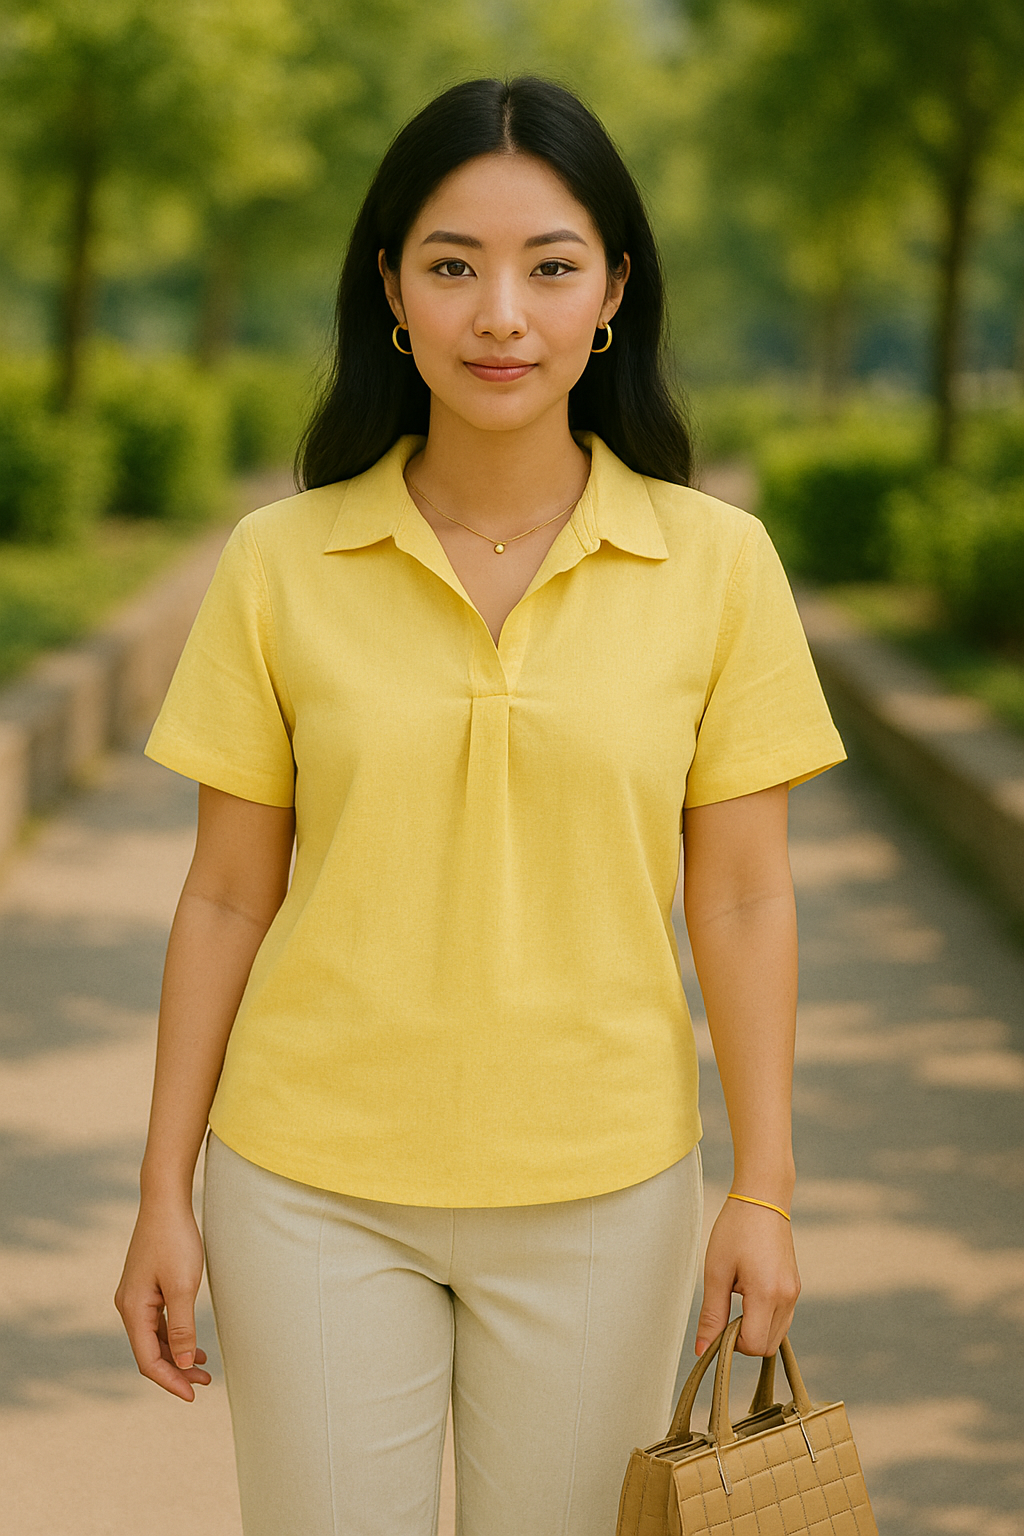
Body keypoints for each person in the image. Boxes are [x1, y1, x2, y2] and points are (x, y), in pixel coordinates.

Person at [115, 76, 846, 1536]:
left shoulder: (717, 565)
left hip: (606, 1194)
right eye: (452, 265)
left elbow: (747, 893)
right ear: (389, 289)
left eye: (550, 265)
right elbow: (225, 893)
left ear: (614, 292)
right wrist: (162, 1192)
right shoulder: (279, 562)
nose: (500, 313)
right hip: (308, 1186)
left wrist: (763, 1188)